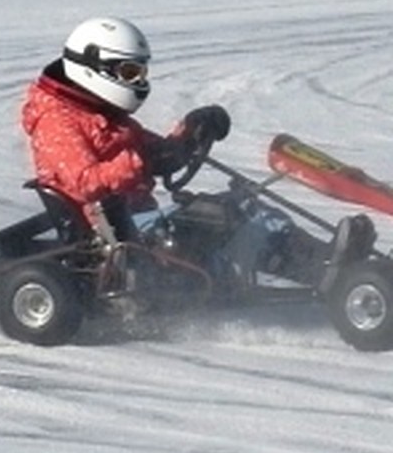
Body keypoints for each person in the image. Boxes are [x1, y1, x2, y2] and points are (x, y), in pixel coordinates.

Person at [20, 17, 374, 289]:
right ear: (95, 67)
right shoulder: (56, 121)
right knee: (220, 215)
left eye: (139, 71)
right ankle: (326, 276)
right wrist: (140, 163)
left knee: (244, 203)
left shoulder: (101, 114)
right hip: (113, 234)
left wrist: (190, 132)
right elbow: (85, 183)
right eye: (129, 72)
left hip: (139, 220)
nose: (137, 81)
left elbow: (154, 152)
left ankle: (327, 263)